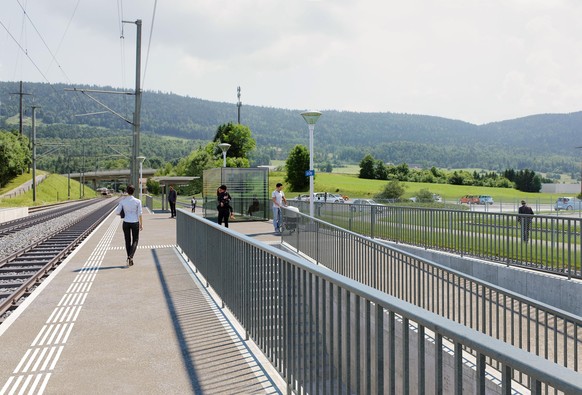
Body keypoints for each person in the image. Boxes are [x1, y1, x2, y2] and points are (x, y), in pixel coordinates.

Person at [115, 185, 143, 267]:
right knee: (135, 240)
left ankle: (129, 257)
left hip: (126, 222)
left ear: (127, 191)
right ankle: (131, 257)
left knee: (127, 240)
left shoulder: (122, 201)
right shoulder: (138, 201)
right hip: (135, 222)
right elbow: (140, 213)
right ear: (134, 191)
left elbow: (117, 212)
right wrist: (141, 224)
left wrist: (124, 212)